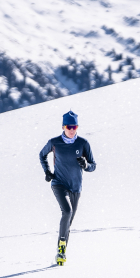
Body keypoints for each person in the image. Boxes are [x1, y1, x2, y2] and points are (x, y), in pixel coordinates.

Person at [39, 110, 96, 266]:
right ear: (63, 127)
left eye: (74, 127)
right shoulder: (54, 142)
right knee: (67, 211)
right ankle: (61, 250)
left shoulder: (83, 144)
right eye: (69, 127)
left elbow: (93, 166)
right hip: (59, 184)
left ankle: (61, 251)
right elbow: (41, 155)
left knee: (68, 222)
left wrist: (86, 165)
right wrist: (47, 171)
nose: (72, 130)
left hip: (76, 188)